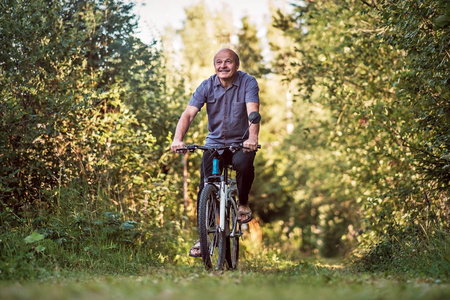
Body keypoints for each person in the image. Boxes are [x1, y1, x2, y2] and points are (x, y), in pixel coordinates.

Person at [171, 48, 260, 257]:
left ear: (236, 65)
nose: (223, 66)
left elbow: (253, 111)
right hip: (215, 145)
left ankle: (243, 204)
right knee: (206, 185)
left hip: (241, 144)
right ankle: (204, 237)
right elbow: (188, 114)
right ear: (215, 66)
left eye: (228, 62)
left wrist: (252, 138)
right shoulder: (206, 86)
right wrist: (178, 139)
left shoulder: (248, 83)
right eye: (219, 62)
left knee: (244, 165)